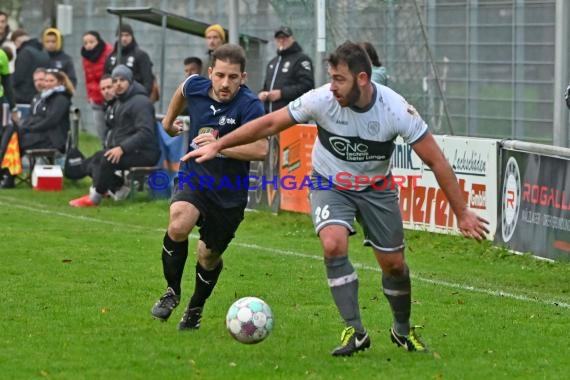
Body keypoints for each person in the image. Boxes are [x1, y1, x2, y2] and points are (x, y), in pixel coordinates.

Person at [186, 41, 490, 356]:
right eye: (330, 78)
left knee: (394, 265)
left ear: (362, 79)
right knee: (333, 245)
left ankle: (401, 329)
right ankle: (355, 331)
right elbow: (270, 123)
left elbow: (436, 161)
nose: (332, 86)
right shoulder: (321, 99)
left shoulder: (396, 109)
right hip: (329, 183)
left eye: (339, 79)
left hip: (376, 188)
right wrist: (220, 145)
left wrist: (462, 211)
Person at [150, 44, 267, 331]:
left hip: (229, 191)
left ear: (243, 77)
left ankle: (195, 309)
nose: (226, 83)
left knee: (208, 255)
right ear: (211, 72)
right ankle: (171, 292)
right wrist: (167, 123)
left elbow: (261, 148)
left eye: (233, 77)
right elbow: (182, 90)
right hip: (195, 176)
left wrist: (220, 148)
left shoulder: (250, 105)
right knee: (179, 222)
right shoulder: (196, 86)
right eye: (221, 75)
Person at [68, 65, 159, 207]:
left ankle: (95, 198)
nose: (118, 84)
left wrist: (122, 148)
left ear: (130, 81)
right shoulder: (121, 102)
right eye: (115, 80)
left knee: (106, 159)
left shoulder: (141, 102)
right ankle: (118, 187)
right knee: (97, 158)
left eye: (122, 80)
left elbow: (146, 133)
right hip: (130, 149)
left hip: (144, 152)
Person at [258, 26, 314, 113]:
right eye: (278, 38)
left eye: (284, 37)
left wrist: (282, 94)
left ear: (292, 39)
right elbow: (267, 87)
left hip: (292, 115)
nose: (281, 40)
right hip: (270, 116)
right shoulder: (272, 63)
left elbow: (307, 86)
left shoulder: (301, 59)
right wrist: (262, 94)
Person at [81, 30, 114, 145]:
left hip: (110, 98)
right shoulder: (86, 57)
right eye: (86, 43)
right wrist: (90, 96)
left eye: (91, 42)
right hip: (96, 98)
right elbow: (88, 79)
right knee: (101, 129)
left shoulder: (109, 53)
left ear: (98, 41)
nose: (88, 45)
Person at [104, 23, 155, 97]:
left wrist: (142, 98)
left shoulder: (141, 56)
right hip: (115, 100)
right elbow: (105, 78)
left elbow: (148, 81)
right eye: (121, 35)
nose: (124, 38)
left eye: (127, 35)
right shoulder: (111, 56)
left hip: (136, 97)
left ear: (132, 36)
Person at [10, 29, 50, 105]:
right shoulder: (43, 52)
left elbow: (18, 77)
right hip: (39, 95)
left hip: (23, 97)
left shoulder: (25, 53)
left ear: (17, 41)